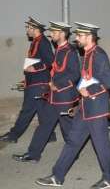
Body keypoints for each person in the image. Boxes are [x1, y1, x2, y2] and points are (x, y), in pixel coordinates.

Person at [36, 22, 110, 189]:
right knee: (72, 141)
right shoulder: (86, 54)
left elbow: (109, 81)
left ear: (89, 37)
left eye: (80, 36)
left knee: (101, 144)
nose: (77, 38)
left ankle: (109, 178)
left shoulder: (99, 54)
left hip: (97, 109)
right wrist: (78, 100)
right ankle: (57, 176)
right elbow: (86, 78)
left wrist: (91, 90)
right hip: (85, 108)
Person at [12, 21, 80, 163]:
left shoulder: (70, 51)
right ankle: (33, 154)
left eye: (54, 32)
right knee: (44, 125)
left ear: (62, 34)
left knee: (67, 128)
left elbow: (75, 74)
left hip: (64, 96)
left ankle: (73, 153)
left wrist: (58, 85)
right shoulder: (59, 50)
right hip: (54, 95)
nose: (51, 34)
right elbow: (55, 71)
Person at [0, 17, 55, 143]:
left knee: (26, 111)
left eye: (28, 28)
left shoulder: (43, 42)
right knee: (42, 112)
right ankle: (50, 135)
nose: (27, 30)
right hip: (34, 82)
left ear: (35, 29)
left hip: (39, 84)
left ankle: (13, 135)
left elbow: (50, 61)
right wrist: (27, 80)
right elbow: (34, 61)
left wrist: (34, 68)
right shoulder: (35, 42)